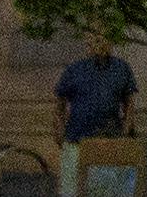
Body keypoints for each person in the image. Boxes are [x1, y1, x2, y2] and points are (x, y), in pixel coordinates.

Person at [54, 29, 134, 197]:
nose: (99, 45)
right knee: (72, 191)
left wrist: (125, 134)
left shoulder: (121, 69)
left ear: (110, 43)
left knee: (108, 192)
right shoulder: (74, 70)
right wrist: (60, 133)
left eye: (102, 40)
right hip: (77, 141)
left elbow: (129, 105)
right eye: (93, 41)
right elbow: (59, 106)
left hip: (110, 142)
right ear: (87, 45)